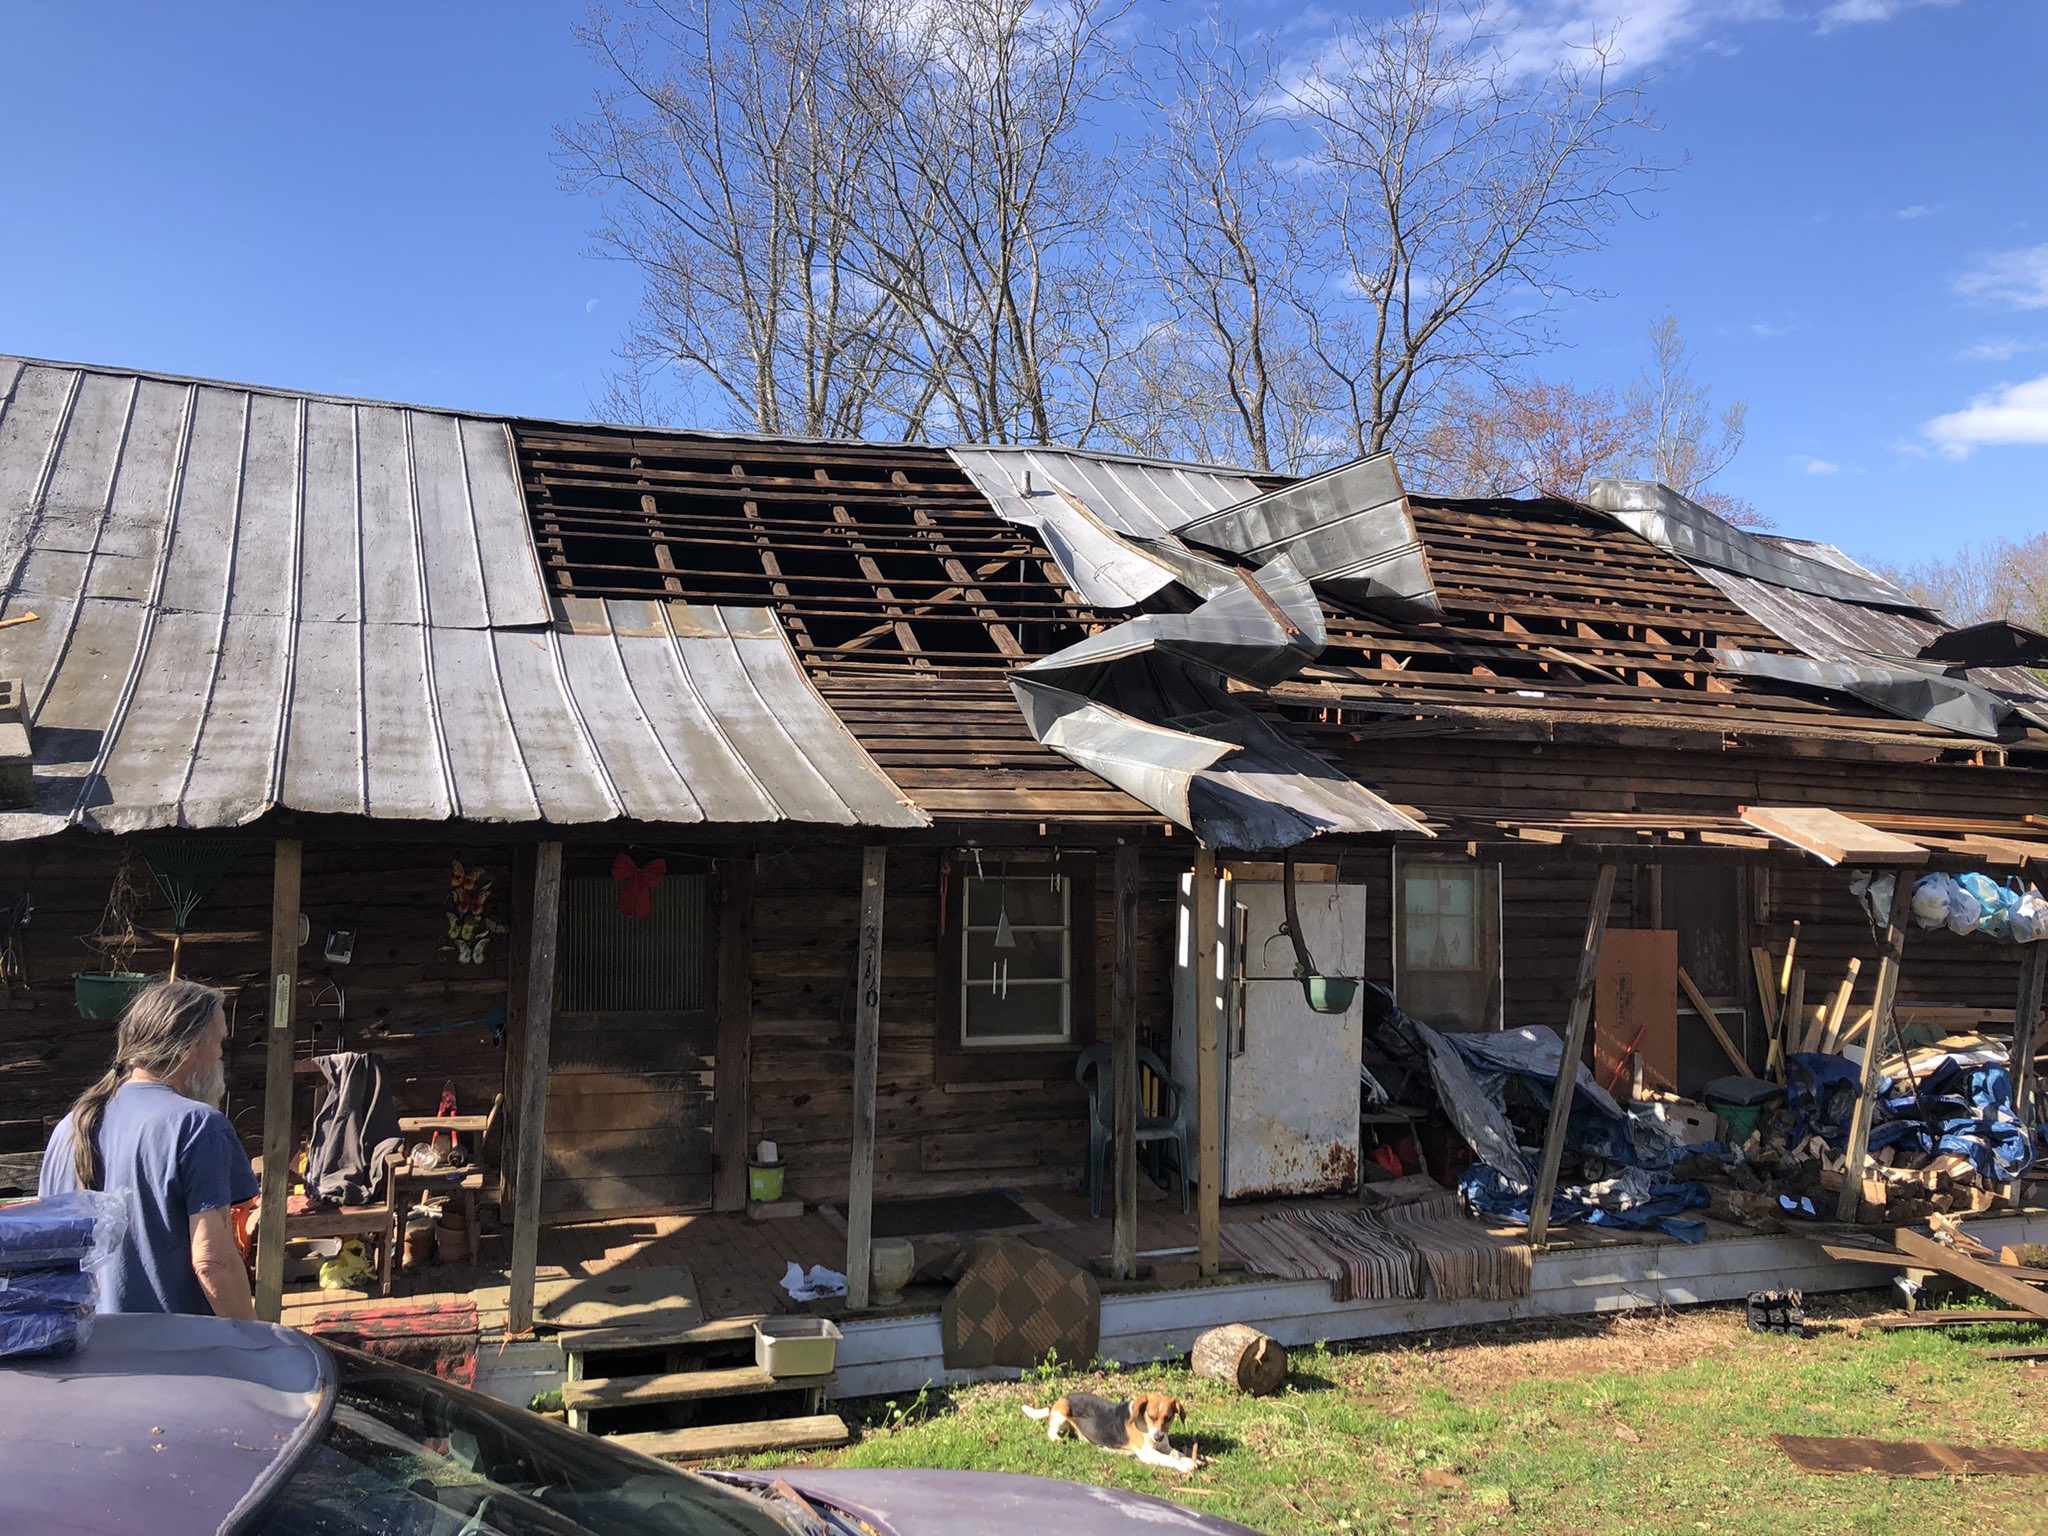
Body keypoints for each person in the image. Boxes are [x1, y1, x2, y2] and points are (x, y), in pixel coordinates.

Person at [39, 978, 258, 1318]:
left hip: (83, 1343)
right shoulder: (198, 1124)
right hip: (173, 1345)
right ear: (189, 1047)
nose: (221, 1057)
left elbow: (45, 1252)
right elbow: (213, 1262)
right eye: (219, 1043)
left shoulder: (68, 1127)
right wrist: (254, 1339)